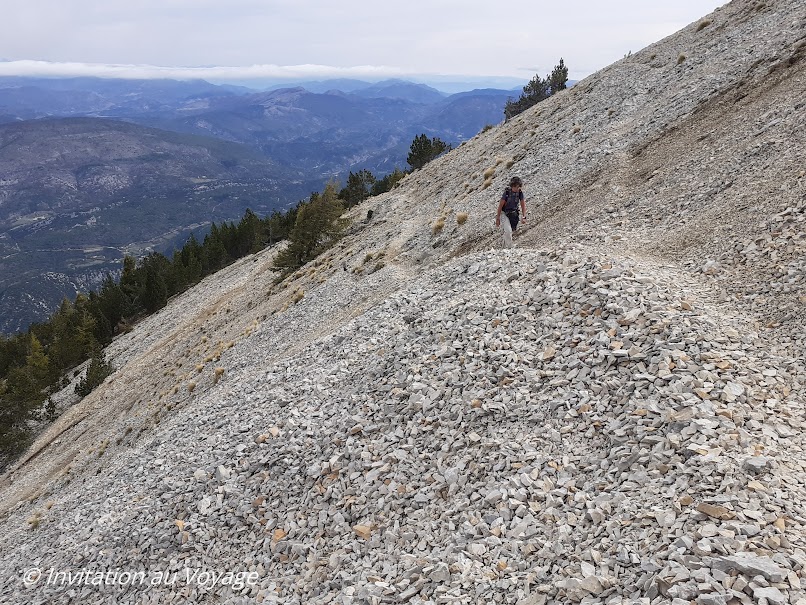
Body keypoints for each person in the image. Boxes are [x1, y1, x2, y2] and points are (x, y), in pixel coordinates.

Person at [496, 176, 527, 249]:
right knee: (508, 231)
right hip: (504, 214)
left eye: (519, 186)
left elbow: (523, 205)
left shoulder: (519, 193)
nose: (517, 188)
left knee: (509, 231)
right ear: (512, 186)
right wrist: (498, 218)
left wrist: (524, 217)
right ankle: (510, 249)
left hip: (513, 214)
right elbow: (500, 206)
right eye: (516, 187)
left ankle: (503, 248)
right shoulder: (506, 193)